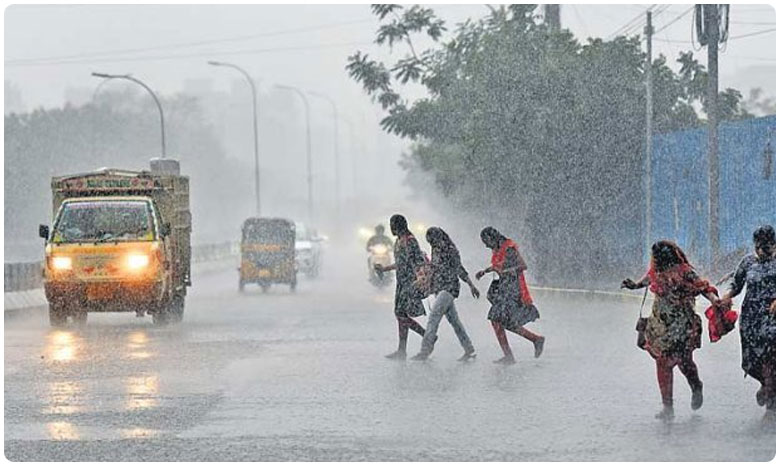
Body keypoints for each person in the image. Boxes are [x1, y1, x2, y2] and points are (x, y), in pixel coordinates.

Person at [622, 240, 719, 420]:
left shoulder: (685, 271)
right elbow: (647, 279)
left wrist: (714, 300)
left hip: (682, 325)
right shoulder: (656, 270)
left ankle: (696, 385)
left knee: (684, 361)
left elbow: (703, 287)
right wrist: (634, 285)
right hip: (661, 325)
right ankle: (668, 407)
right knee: (662, 362)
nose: (655, 261)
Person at [718, 225, 776, 415]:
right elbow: (737, 283)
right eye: (759, 246)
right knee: (751, 361)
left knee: (770, 356)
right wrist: (727, 296)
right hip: (751, 318)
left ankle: (771, 401)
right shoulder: (748, 262)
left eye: (767, 246)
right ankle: (765, 384)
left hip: (772, 318)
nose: (762, 250)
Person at [475, 227, 545, 365]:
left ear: (492, 238)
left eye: (486, 241)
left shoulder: (509, 248)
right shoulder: (497, 248)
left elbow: (522, 266)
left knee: (497, 319)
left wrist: (504, 271)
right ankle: (534, 340)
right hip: (504, 288)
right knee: (503, 322)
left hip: (512, 289)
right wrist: (485, 271)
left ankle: (513, 353)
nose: (485, 245)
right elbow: (498, 265)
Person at [410, 227, 480, 362]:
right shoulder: (436, 249)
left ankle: (425, 350)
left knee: (433, 317)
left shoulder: (450, 250)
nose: (432, 244)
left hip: (449, 288)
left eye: (432, 241)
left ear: (438, 237)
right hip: (439, 287)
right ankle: (469, 349)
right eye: (429, 242)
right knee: (455, 322)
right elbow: (436, 267)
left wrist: (471, 285)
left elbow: (459, 268)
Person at [375, 214, 428, 360]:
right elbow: (401, 263)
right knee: (402, 315)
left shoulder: (409, 241)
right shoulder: (399, 241)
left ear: (398, 225)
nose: (391, 228)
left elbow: (413, 262)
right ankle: (402, 349)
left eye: (392, 225)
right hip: (402, 281)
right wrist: (384, 269)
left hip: (410, 282)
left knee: (400, 314)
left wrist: (419, 278)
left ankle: (427, 335)